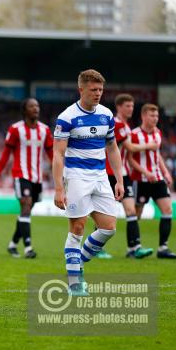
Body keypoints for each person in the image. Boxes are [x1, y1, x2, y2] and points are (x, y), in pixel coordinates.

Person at [52, 69, 124, 296]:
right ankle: (74, 282)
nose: (98, 94)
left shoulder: (106, 115)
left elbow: (112, 147)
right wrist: (58, 188)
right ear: (81, 89)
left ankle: (77, 263)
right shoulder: (67, 117)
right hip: (76, 177)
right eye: (93, 90)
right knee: (78, 228)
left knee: (109, 228)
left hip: (101, 177)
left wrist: (119, 179)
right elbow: (58, 155)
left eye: (101, 90)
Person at [0, 98, 53, 258]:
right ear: (25, 110)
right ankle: (28, 248)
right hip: (21, 175)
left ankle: (12, 245)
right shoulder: (15, 129)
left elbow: (52, 154)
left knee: (25, 212)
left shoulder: (45, 130)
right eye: (32, 106)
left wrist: (60, 174)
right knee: (26, 207)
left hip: (37, 178)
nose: (36, 108)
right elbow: (5, 155)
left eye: (37, 106)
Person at [102, 94, 158, 259]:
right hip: (109, 173)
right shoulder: (116, 124)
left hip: (123, 173)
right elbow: (130, 148)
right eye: (127, 106)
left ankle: (134, 248)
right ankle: (98, 248)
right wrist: (150, 145)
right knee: (106, 212)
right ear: (119, 107)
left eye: (132, 106)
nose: (131, 109)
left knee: (131, 210)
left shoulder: (125, 125)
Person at [128, 103, 176, 259]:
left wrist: (165, 172)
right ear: (144, 116)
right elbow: (130, 159)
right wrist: (145, 172)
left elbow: (157, 156)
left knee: (168, 210)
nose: (155, 118)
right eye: (152, 115)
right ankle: (132, 247)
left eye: (156, 116)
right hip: (140, 180)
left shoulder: (157, 133)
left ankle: (163, 248)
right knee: (137, 214)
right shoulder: (134, 134)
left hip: (157, 178)